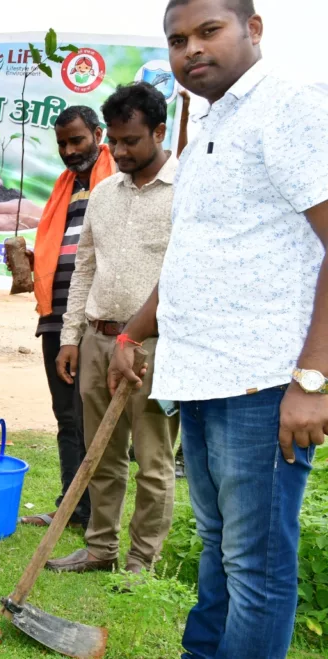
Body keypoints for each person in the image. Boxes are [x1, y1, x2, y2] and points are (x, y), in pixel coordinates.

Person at [109, 1, 328, 656]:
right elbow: (195, 258)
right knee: (221, 552)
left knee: (256, 566)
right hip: (200, 377)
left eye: (209, 31)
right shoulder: (209, 125)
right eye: (177, 40)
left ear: (253, 29)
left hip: (263, 380)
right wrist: (131, 334)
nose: (191, 50)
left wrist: (313, 380)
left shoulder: (288, 108)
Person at [46, 83, 179, 575]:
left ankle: (141, 561)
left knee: (153, 458)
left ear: (159, 132)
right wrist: (71, 337)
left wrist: (139, 337)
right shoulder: (102, 194)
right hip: (98, 338)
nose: (120, 152)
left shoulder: (185, 194)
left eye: (131, 141)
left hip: (154, 346)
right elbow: (84, 268)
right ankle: (100, 548)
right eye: (115, 143)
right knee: (100, 452)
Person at [15, 106, 114, 531]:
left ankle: (92, 513)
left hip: (96, 319)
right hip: (55, 319)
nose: (69, 150)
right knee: (66, 416)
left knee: (90, 416)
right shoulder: (64, 187)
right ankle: (71, 505)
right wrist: (31, 263)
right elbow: (64, 253)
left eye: (77, 140)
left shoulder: (114, 181)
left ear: (98, 134)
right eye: (62, 143)